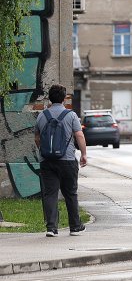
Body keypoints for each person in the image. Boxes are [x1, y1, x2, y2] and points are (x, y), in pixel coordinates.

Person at [34, 84, 88, 237]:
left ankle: (51, 228)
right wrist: (84, 154)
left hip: (46, 161)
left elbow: (37, 138)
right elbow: (79, 135)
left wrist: (44, 151)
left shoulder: (42, 116)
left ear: (49, 98)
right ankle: (75, 227)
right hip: (68, 160)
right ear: (64, 98)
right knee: (70, 193)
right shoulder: (71, 116)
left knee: (50, 193)